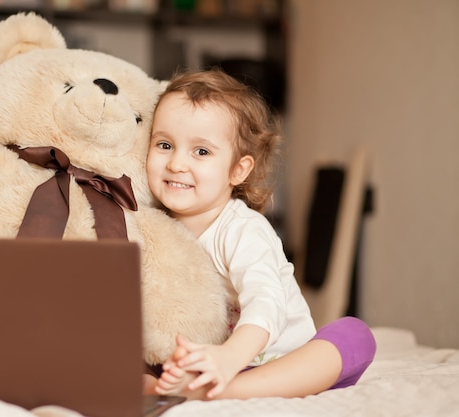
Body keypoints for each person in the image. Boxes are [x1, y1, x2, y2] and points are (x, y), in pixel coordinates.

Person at [143, 68, 376, 400]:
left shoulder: (243, 229)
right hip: (205, 359)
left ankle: (223, 391)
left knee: (355, 334)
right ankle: (191, 385)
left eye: (201, 151)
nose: (177, 163)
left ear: (238, 170)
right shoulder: (153, 227)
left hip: (273, 359)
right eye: (164, 144)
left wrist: (229, 358)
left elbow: (265, 302)